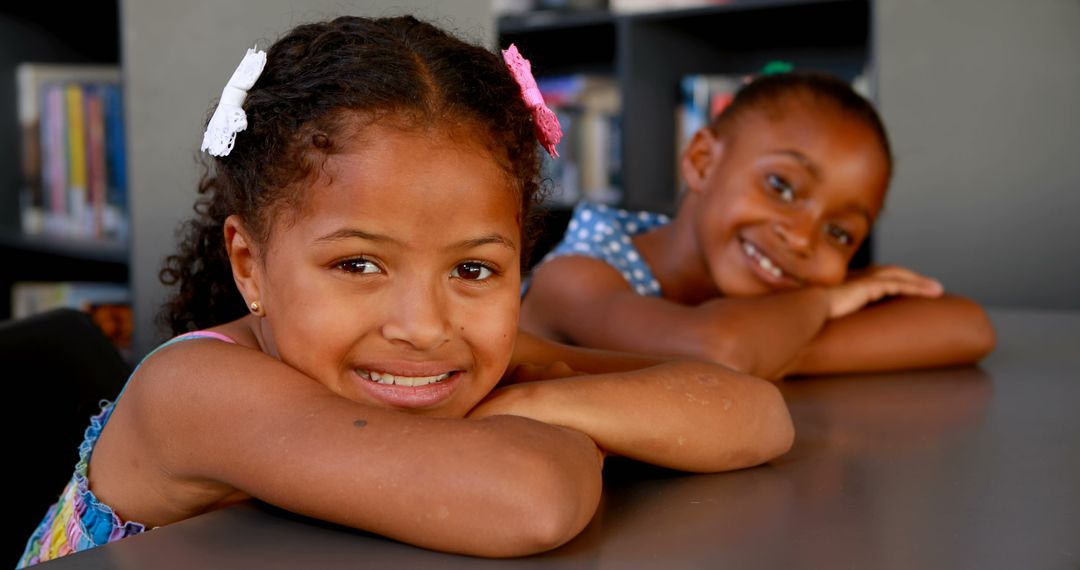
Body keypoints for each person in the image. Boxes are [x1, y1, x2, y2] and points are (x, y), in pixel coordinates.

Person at [18, 16, 794, 566]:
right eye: (358, 265)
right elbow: (532, 500)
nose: (424, 326)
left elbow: (754, 413)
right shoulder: (193, 391)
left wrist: (544, 402)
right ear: (249, 266)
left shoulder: (466, 352)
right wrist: (531, 415)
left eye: (474, 269)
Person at [521, 71, 995, 380]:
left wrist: (769, 346)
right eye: (781, 187)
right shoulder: (575, 277)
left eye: (840, 233)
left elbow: (967, 326)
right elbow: (718, 354)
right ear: (703, 162)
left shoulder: (773, 298)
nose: (803, 238)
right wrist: (821, 304)